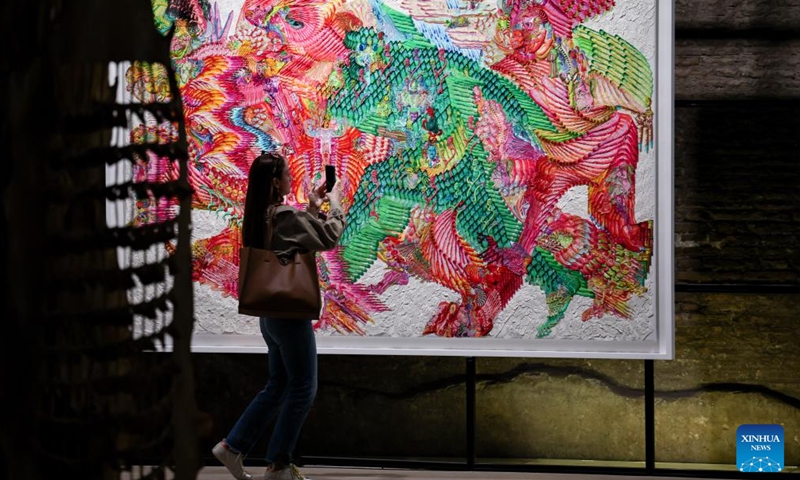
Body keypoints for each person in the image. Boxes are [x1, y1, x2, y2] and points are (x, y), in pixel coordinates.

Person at [212, 152, 345, 480]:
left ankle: (232, 447)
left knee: (279, 384)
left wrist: (312, 208)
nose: (291, 178)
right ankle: (278, 465)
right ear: (275, 183)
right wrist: (336, 202)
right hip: (289, 316)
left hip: (270, 317)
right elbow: (328, 236)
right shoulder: (284, 216)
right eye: (287, 174)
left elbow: (295, 238)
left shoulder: (261, 215)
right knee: (303, 387)